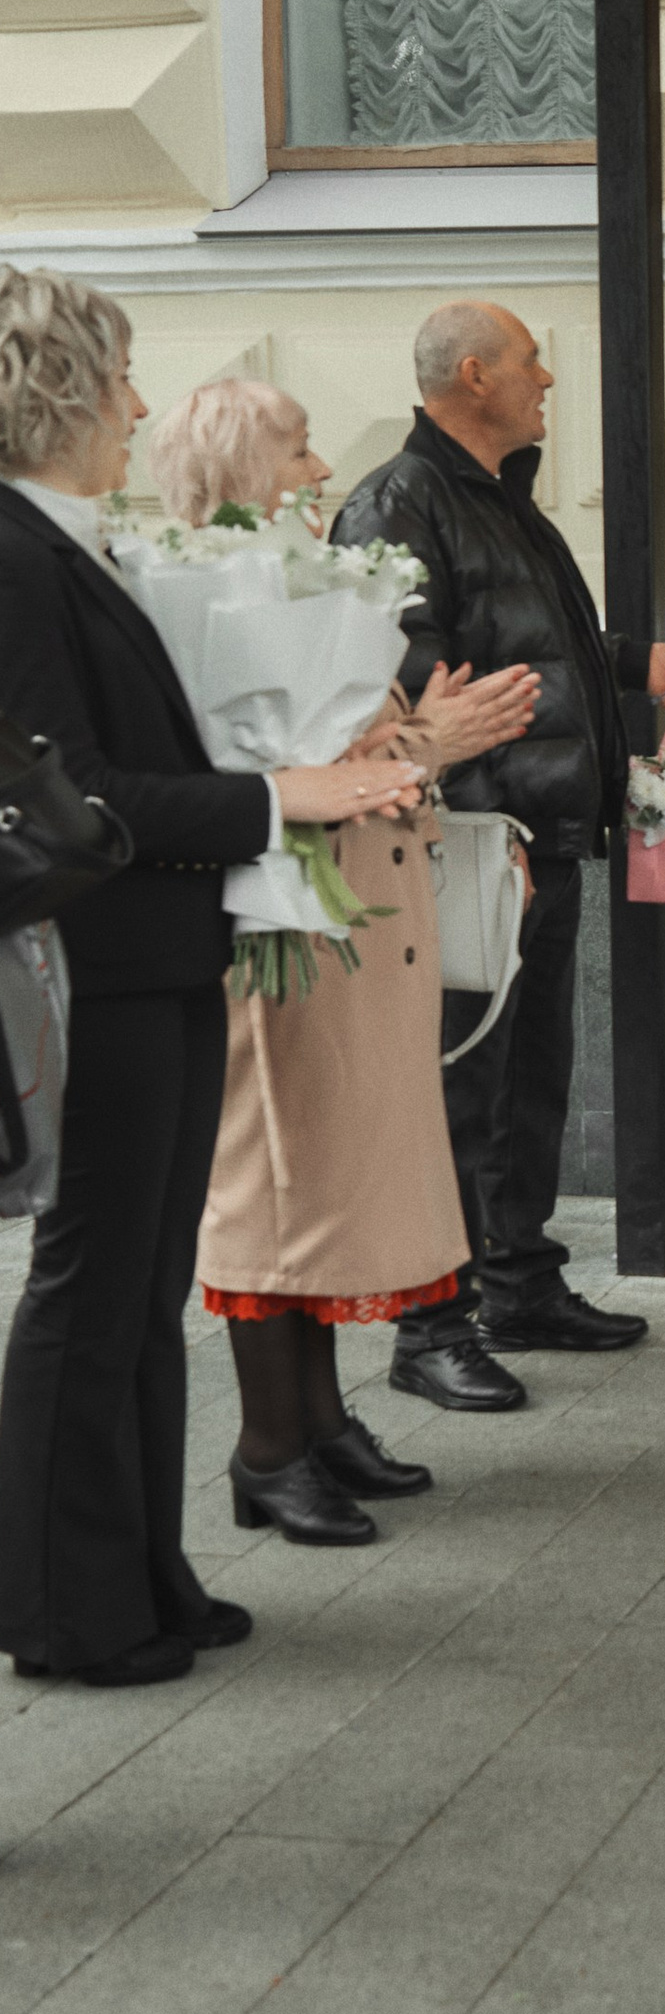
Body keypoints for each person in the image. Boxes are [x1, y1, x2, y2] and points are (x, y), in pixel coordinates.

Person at [0, 268, 420, 1687]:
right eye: (116, 379)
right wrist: (277, 797)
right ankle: (64, 1611)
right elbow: (83, 793)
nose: (134, 405)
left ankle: (145, 1579)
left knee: (146, 1290)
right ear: (56, 389)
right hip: (92, 965)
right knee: (90, 1290)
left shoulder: (75, 544)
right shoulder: (12, 551)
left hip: (156, 956)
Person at [148, 379, 539, 1547]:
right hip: (287, 939)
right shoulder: (206, 600)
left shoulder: (295, 583)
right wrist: (428, 740)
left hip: (354, 931)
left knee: (326, 1183)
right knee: (278, 1190)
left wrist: (414, 731)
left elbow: (345, 747)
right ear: (235, 472)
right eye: (298, 449)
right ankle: (266, 1451)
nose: (322, 470)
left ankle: (318, 1423)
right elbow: (274, 783)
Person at [332, 303, 665, 1412]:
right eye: (534, 363)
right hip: (470, 849)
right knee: (458, 1086)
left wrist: (632, 663)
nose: (549, 381)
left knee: (527, 1078)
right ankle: (429, 1327)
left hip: (537, 840)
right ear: (475, 374)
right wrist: (482, 829)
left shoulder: (500, 495)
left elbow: (528, 647)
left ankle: (518, 1282)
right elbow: (408, 703)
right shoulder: (400, 503)